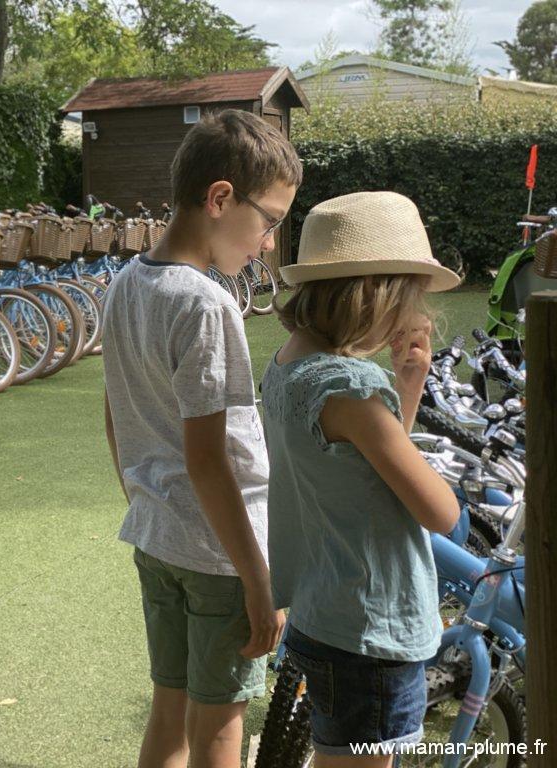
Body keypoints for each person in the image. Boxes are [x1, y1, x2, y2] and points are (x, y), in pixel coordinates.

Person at [101, 109, 301, 768]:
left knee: (171, 712)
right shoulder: (207, 304)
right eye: (269, 221)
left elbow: (114, 412)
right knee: (219, 729)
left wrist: (142, 497)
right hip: (219, 559)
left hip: (156, 537)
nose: (269, 242)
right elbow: (209, 460)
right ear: (220, 199)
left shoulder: (127, 284)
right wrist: (256, 579)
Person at [262, 191, 462, 766]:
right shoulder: (349, 387)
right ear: (379, 294)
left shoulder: (287, 367)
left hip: (323, 615)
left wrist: (409, 384)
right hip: (373, 632)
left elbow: (362, 467)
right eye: (411, 296)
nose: (416, 313)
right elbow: (440, 512)